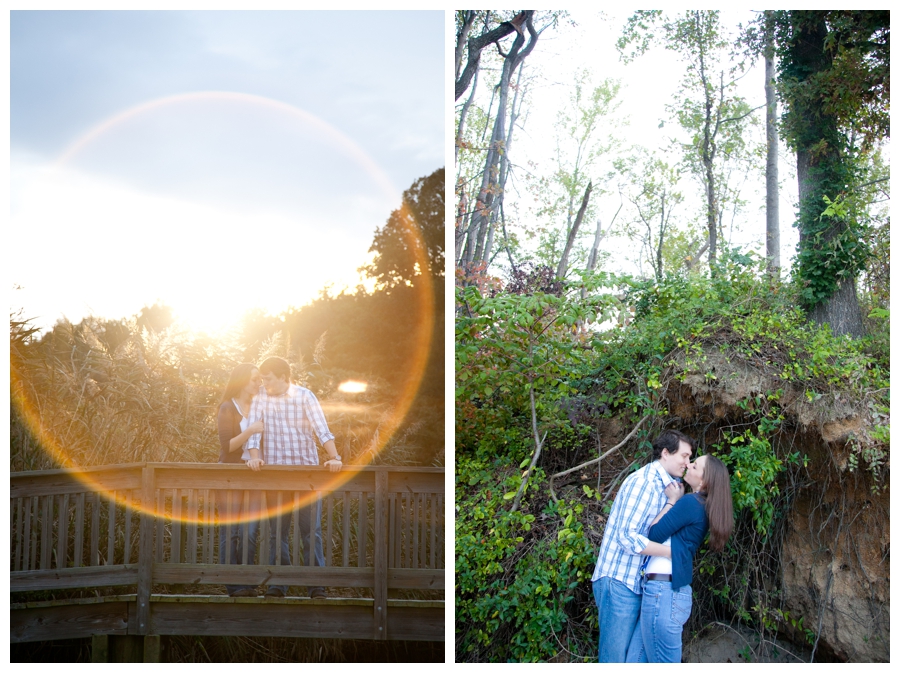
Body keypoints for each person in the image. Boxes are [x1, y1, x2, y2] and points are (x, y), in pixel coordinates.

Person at [591, 429, 695, 662]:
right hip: (618, 581)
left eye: (690, 458)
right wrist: (672, 553)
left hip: (638, 584)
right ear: (666, 453)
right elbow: (626, 537)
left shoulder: (670, 487)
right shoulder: (645, 482)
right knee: (614, 660)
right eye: (684, 456)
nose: (688, 463)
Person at [245, 356, 343, 598]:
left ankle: (316, 586)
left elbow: (322, 429)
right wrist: (254, 457)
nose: (264, 383)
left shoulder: (305, 396)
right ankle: (278, 584)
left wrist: (335, 457)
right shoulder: (260, 398)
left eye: (268, 379)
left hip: (306, 476)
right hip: (276, 478)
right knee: (277, 533)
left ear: (283, 377)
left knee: (311, 532)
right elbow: (253, 435)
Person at [625, 454, 734, 663]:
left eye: (694, 466)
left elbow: (654, 534)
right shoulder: (702, 505)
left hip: (663, 593)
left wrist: (671, 501)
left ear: (704, 481)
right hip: (667, 593)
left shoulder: (691, 503)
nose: (688, 466)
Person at [216, 363, 265, 597]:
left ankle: (247, 583)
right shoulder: (228, 407)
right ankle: (233, 585)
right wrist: (250, 430)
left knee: (250, 531)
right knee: (231, 532)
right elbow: (227, 446)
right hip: (230, 475)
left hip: (254, 475)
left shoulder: (259, 406)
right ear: (243, 380)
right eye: (255, 379)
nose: (259, 383)